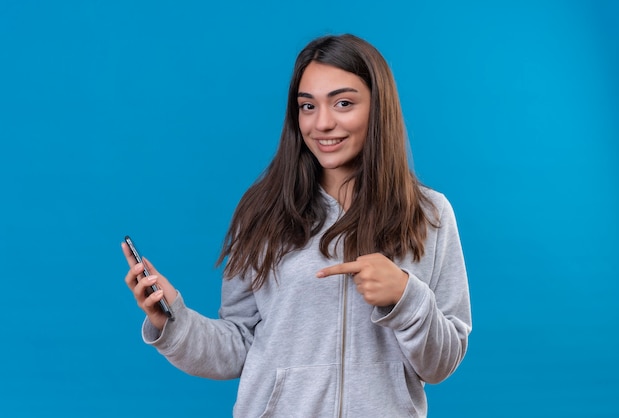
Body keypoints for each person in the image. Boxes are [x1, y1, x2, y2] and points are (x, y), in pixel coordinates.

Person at [122, 33, 471, 418]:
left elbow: (441, 364)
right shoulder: (263, 210)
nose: (322, 123)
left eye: (343, 103)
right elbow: (238, 343)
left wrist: (406, 297)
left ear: (378, 107)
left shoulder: (429, 215)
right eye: (308, 106)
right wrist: (173, 320)